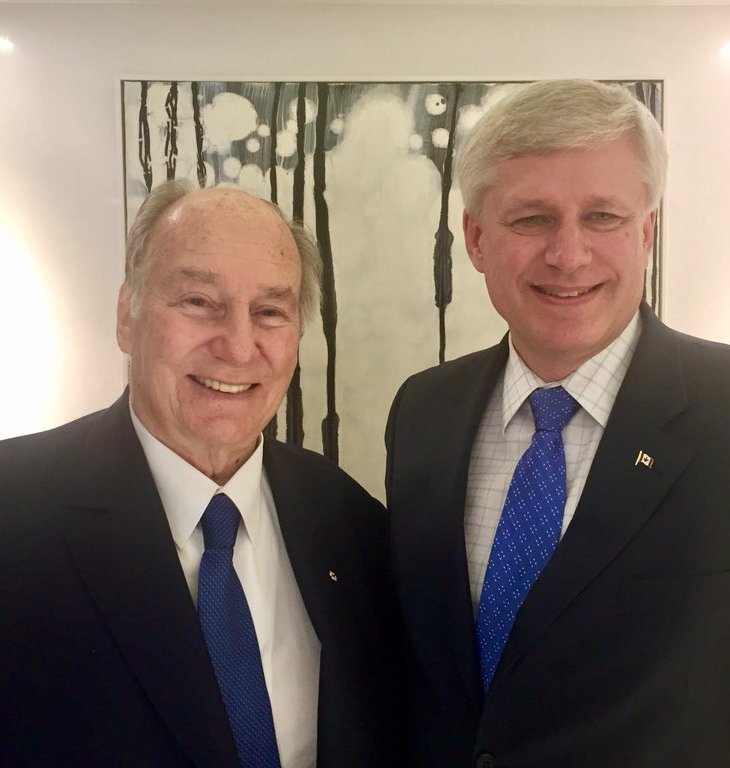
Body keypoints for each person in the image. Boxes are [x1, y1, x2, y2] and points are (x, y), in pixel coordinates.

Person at [385, 79, 730, 768]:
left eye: (602, 216)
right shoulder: (423, 411)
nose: (568, 255)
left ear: (646, 232)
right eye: (532, 219)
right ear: (477, 239)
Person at [0, 181, 401, 768]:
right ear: (126, 317)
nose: (239, 347)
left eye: (269, 312)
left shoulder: (348, 519)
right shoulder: (15, 508)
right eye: (198, 302)